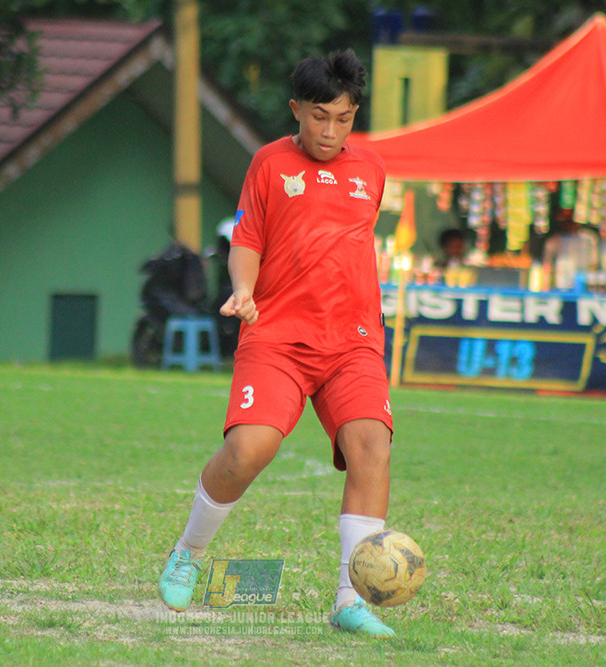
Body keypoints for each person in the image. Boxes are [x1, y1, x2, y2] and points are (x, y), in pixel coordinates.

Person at [157, 49, 397, 638]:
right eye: (319, 117)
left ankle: (350, 601)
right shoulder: (268, 163)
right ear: (296, 109)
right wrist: (243, 289)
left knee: (371, 447)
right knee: (247, 451)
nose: (330, 131)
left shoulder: (372, 170)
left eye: (343, 119)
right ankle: (188, 552)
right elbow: (248, 239)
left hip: (353, 342)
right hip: (278, 336)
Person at [541, 208, 599, 290]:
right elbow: (547, 263)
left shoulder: (589, 238)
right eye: (565, 221)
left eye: (570, 221)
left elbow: (594, 262)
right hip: (562, 282)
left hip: (583, 280)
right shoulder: (554, 240)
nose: (568, 224)